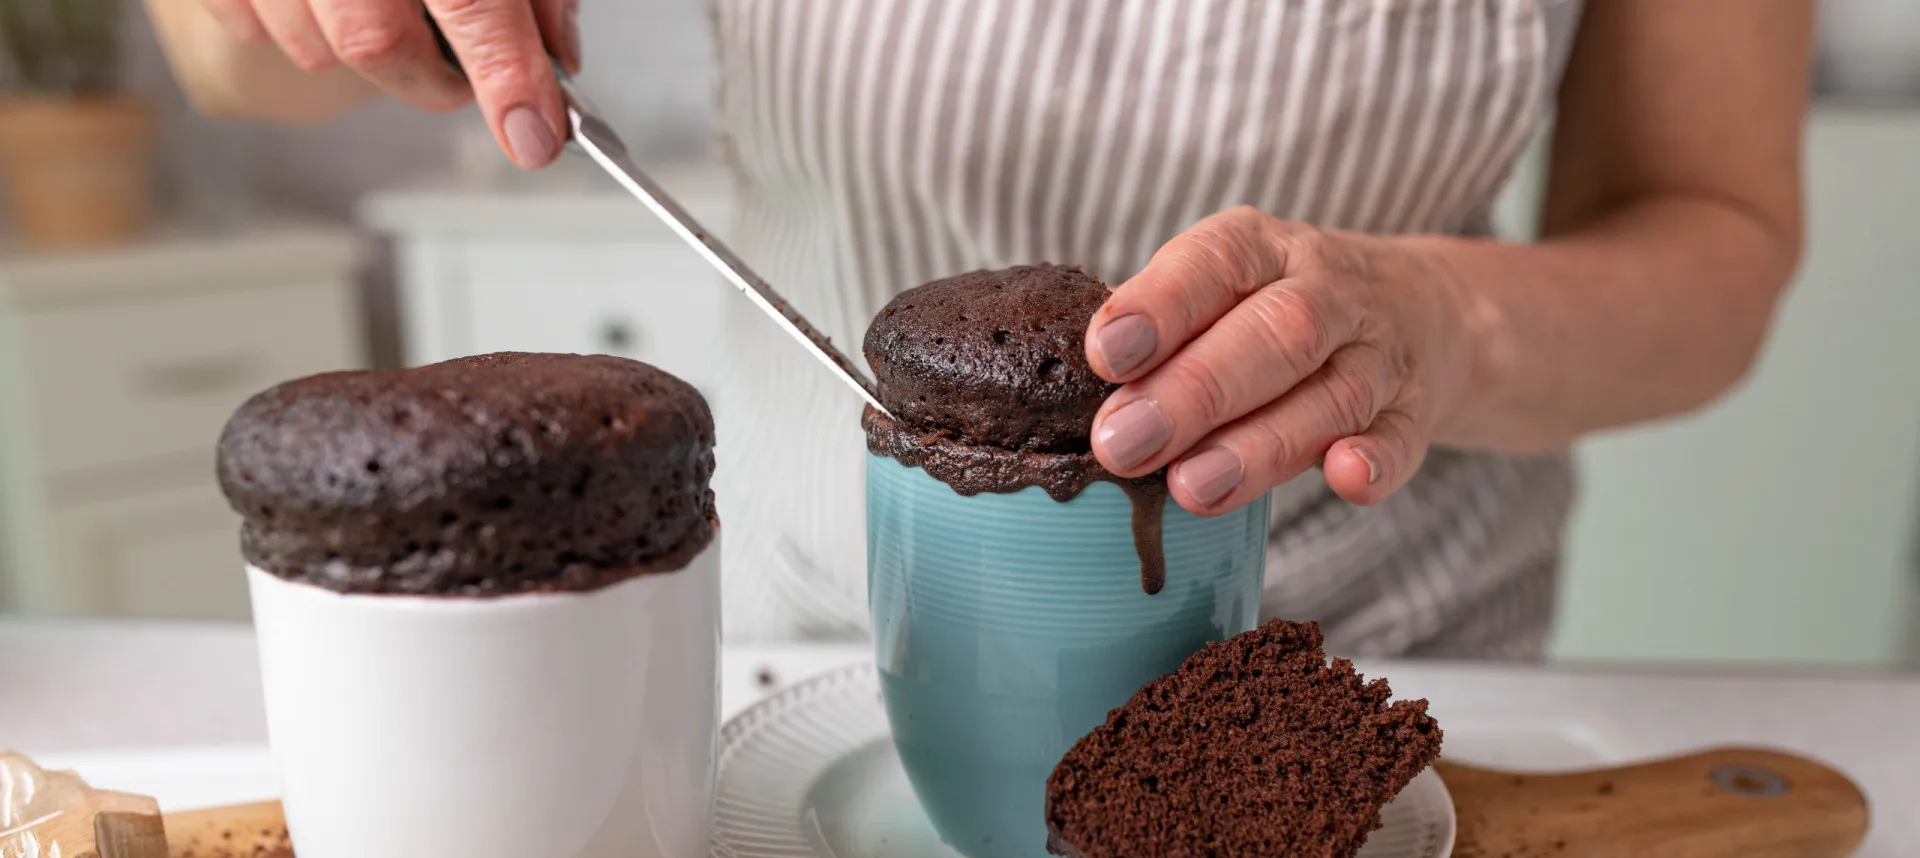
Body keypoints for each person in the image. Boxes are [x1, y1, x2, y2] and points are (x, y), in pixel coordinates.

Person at [165, 0, 1809, 658]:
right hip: (817, 665)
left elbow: (1713, 237)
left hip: (1377, 660)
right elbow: (229, 60)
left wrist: (1442, 318)